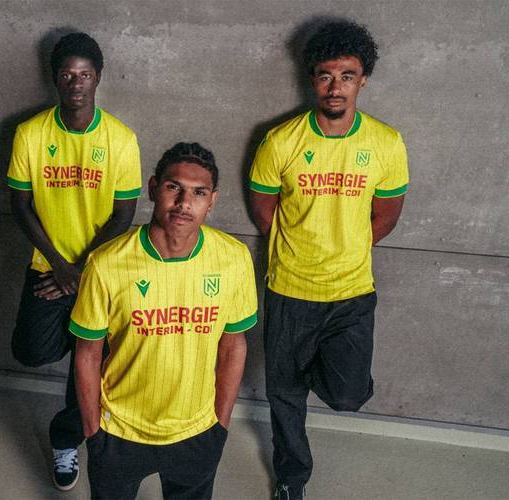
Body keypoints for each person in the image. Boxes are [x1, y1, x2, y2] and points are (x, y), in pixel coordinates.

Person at [248, 21, 409, 499]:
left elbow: (387, 216)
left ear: (363, 80)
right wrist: (302, 248)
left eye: (347, 75)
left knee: (348, 395)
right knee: (284, 396)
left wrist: (346, 248)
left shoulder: (386, 143)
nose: (335, 86)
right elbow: (264, 211)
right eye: (325, 75)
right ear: (312, 79)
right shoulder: (280, 141)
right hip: (289, 289)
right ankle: (292, 477)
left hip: (351, 293)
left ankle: (312, 370)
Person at [72, 143, 258, 499]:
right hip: (119, 431)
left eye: (199, 193)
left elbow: (233, 346)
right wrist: (93, 431)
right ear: (154, 188)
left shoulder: (233, 259)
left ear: (212, 201)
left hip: (197, 431)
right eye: (174, 188)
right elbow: (88, 353)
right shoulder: (106, 263)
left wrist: (220, 424)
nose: (184, 203)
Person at [6, 32, 141, 490]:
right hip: (49, 269)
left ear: (97, 78)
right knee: (30, 350)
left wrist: (81, 271)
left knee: (89, 367)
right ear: (55, 79)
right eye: (68, 75)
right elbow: (20, 204)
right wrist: (62, 269)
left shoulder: (120, 139)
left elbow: (123, 214)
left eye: (84, 74)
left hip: (100, 275)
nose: (76, 83)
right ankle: (82, 339)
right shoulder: (31, 133)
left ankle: (66, 439)